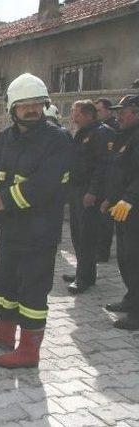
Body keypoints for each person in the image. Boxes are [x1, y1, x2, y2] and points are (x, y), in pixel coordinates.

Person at [0, 73, 73, 368]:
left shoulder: (58, 139)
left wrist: (4, 200)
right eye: (24, 105)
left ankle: (29, 351)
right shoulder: (4, 138)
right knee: (3, 281)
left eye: (37, 104)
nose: (32, 110)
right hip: (9, 229)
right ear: (12, 109)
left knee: (32, 288)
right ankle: (4, 334)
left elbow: (47, 184)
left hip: (39, 231)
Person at [62, 100, 115, 294]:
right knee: (77, 233)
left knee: (86, 236)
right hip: (77, 191)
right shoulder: (83, 133)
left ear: (89, 114)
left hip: (89, 193)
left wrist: (93, 191)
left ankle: (83, 278)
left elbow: (103, 166)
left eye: (76, 113)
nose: (73, 117)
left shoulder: (102, 133)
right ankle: (83, 272)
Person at [102, 95, 139, 330]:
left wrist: (128, 199)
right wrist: (111, 198)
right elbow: (117, 172)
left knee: (135, 259)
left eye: (123, 112)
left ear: (136, 111)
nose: (118, 116)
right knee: (126, 258)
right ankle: (131, 299)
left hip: (133, 207)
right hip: (123, 208)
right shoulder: (126, 136)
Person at [95, 97, 120, 263]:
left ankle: (103, 252)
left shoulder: (113, 129)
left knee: (105, 219)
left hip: (109, 180)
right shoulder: (99, 129)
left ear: (108, 111)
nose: (97, 113)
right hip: (100, 180)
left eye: (99, 110)